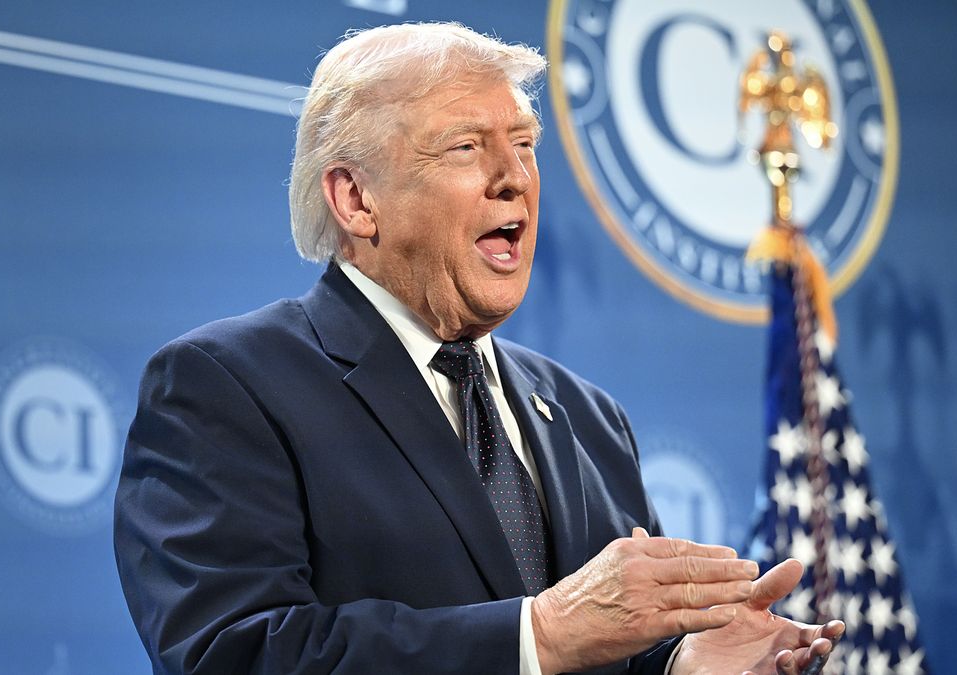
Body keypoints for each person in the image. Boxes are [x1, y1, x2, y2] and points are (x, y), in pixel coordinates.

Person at [113, 22, 844, 675]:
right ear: (356, 199)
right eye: (466, 147)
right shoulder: (227, 387)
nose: (515, 179)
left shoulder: (588, 416)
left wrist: (682, 663)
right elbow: (234, 653)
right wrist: (538, 635)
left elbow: (607, 651)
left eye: (524, 145)